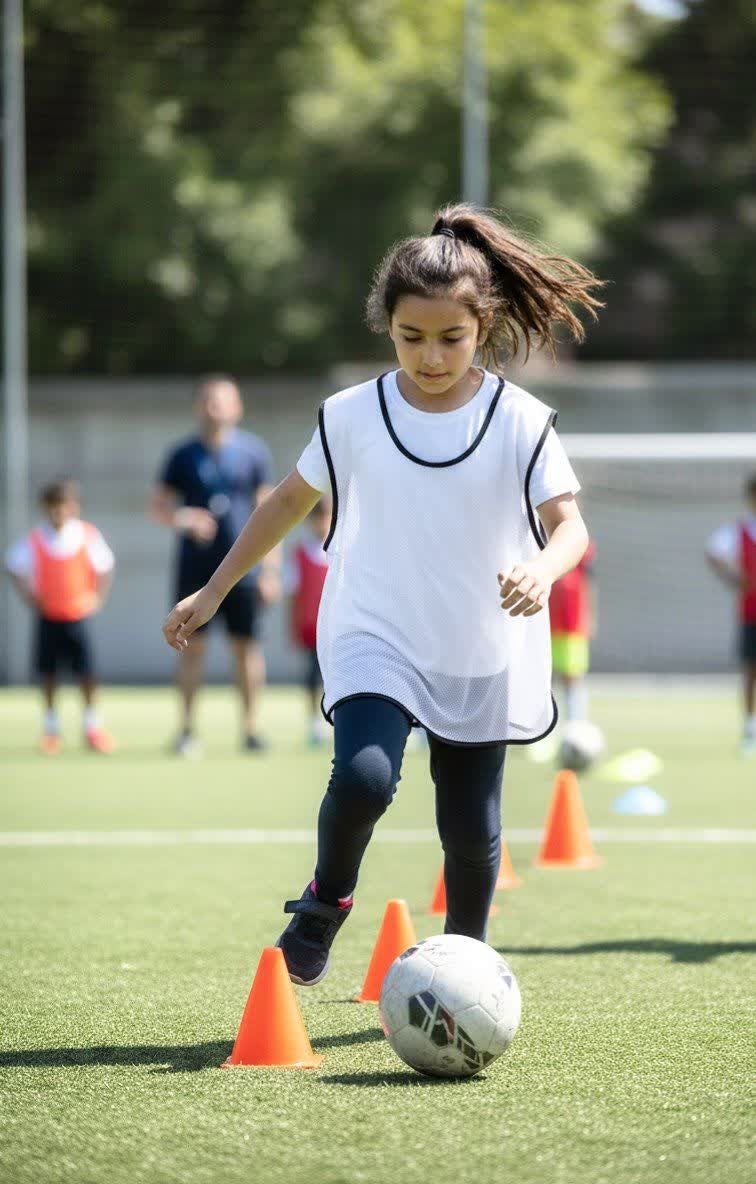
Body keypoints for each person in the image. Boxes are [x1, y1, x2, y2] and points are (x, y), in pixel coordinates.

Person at [163, 204, 598, 985]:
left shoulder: (521, 421)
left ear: (483, 326)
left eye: (451, 339)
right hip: (377, 631)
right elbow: (284, 505)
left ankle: (466, 961)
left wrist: (542, 569)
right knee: (364, 776)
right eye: (411, 337)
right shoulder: (351, 416)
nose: (431, 357)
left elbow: (571, 529)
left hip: (478, 641)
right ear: (386, 326)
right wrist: (215, 587)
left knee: (470, 831)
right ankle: (326, 900)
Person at [150, 375, 281, 756]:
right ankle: (187, 730)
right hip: (195, 569)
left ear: (237, 406)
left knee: (246, 649)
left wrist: (271, 571)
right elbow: (158, 506)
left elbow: (272, 512)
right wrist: (182, 519)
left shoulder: (254, 452)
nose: (216, 407)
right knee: (191, 648)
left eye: (223, 400)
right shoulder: (182, 454)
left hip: (244, 570)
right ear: (197, 406)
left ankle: (251, 729)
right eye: (208, 400)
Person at [4, 479, 116, 754]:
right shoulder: (36, 539)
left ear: (74, 507)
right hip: (48, 617)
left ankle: (92, 728)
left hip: (77, 617)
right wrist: (28, 596)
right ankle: (51, 729)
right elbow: (13, 565)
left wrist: (96, 598)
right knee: (49, 674)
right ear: (45, 508)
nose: (60, 512)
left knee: (87, 674)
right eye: (54, 506)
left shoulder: (87, 535)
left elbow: (105, 566)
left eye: (65, 505)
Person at [706, 474, 756, 758]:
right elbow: (713, 552)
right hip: (751, 614)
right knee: (751, 671)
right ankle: (750, 729)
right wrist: (734, 577)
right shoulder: (740, 532)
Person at [288, 498, 331, 746]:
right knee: (312, 675)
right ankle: (314, 721)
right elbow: (293, 593)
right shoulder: (301, 552)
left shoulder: (341, 549)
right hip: (311, 628)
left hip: (336, 629)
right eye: (316, 517)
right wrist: (292, 625)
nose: (320, 523)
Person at [549, 539, 596, 722]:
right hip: (544, 621)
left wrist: (589, 616)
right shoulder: (534, 536)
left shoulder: (581, 541)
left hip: (572, 622)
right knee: (545, 679)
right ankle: (543, 733)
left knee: (573, 676)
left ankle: (576, 726)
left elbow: (589, 582)